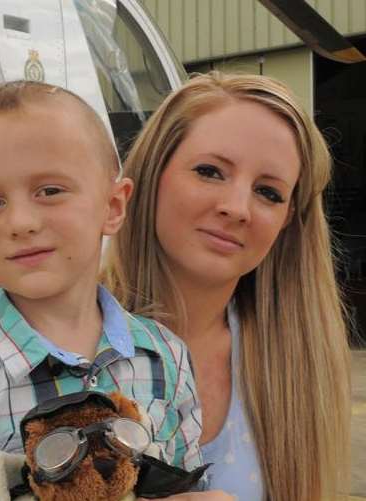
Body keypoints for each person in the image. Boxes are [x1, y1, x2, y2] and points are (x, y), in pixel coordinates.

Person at [0, 81, 206, 500]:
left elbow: (189, 482)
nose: (22, 222)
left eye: (49, 191)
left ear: (113, 206)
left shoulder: (166, 358)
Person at [104, 72, 352, 501]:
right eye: (210, 171)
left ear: (288, 220)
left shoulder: (294, 365)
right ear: (151, 171)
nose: (237, 208)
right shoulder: (47, 345)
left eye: (269, 193)